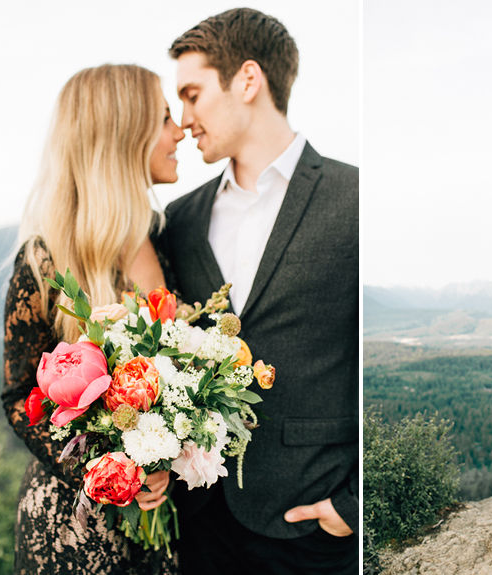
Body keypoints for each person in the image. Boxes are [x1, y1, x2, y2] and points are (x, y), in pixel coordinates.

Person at [159, 8, 358, 574]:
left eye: (193, 94)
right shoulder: (180, 219)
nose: (184, 117)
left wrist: (353, 505)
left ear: (247, 80)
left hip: (313, 530)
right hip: (201, 524)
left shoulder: (354, 198)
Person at [2, 64, 185, 574]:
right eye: (166, 118)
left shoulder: (167, 240)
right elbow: (19, 396)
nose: (181, 131)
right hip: (73, 528)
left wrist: (164, 455)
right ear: (126, 133)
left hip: (161, 527)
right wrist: (106, 467)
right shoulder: (45, 261)